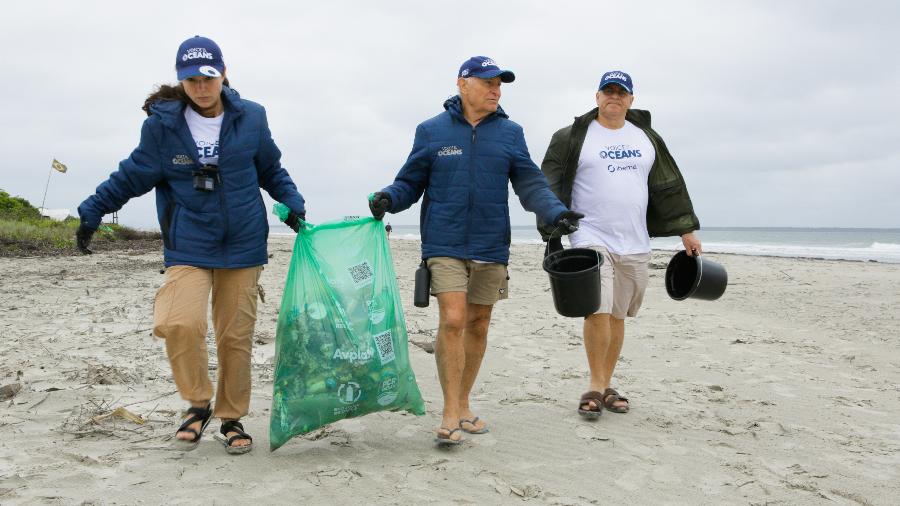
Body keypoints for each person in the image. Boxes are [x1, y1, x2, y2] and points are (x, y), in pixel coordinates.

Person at [75, 36, 306, 454]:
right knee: (180, 322)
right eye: (191, 79)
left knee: (235, 335)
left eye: (207, 77)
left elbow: (271, 168)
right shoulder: (162, 126)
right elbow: (132, 175)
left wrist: (292, 203)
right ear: (180, 81)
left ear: (223, 75)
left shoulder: (252, 117)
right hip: (189, 242)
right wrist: (93, 209)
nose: (200, 86)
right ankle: (198, 403)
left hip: (244, 241)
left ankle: (231, 417)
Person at [368, 56, 583, 445]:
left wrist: (557, 213)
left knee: (479, 322)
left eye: (499, 84)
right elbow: (410, 183)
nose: (495, 90)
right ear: (463, 84)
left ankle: (464, 402)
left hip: (491, 243)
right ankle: (450, 411)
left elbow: (530, 183)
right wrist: (387, 198)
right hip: (444, 241)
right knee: (452, 318)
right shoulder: (431, 131)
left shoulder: (510, 133)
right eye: (488, 82)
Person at [537, 70, 701, 419]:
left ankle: (607, 384)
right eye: (607, 91)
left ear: (631, 99)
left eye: (621, 92)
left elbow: (670, 184)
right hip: (590, 235)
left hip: (635, 239)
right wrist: (552, 227)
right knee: (597, 307)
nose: (614, 97)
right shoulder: (573, 137)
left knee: (618, 314)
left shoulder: (646, 137)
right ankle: (595, 386)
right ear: (597, 97)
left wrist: (685, 228)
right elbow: (547, 181)